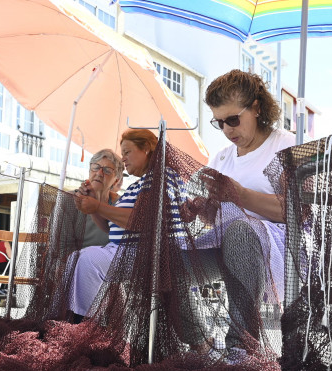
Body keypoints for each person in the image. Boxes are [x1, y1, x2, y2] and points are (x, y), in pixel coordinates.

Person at [197, 69, 299, 352]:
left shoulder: (284, 145)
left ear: (256, 107)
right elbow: (212, 220)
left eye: (233, 119)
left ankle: (241, 344)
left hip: (280, 249)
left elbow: (297, 212)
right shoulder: (220, 158)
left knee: (239, 231)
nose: (228, 130)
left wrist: (240, 195)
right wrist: (201, 208)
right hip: (226, 244)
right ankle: (197, 342)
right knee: (171, 256)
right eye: (219, 123)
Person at [70, 129, 186, 325]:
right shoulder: (139, 184)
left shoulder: (162, 178)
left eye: (127, 152)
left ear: (147, 149)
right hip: (125, 250)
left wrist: (97, 205)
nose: (123, 159)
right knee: (77, 258)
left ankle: (86, 328)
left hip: (146, 254)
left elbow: (142, 220)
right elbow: (111, 227)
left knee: (87, 259)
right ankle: (83, 323)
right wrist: (93, 202)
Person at [78, 149, 124, 249]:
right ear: (89, 171)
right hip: (74, 262)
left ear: (116, 181)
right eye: (96, 167)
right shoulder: (70, 199)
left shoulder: (121, 205)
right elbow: (61, 247)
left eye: (107, 170)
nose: (99, 173)